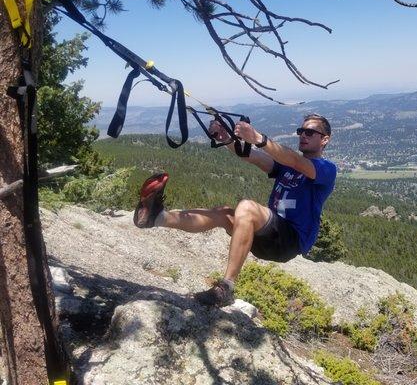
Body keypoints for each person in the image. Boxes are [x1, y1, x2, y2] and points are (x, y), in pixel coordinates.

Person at [133, 113, 337, 307]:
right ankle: (157, 218)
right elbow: (251, 156)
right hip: (267, 237)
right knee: (224, 214)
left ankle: (226, 287)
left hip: (289, 241)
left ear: (324, 139)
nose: (303, 135)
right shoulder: (287, 167)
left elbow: (295, 160)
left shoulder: (326, 169)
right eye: (301, 131)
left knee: (246, 207)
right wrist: (226, 138)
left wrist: (258, 138)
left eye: (309, 132)